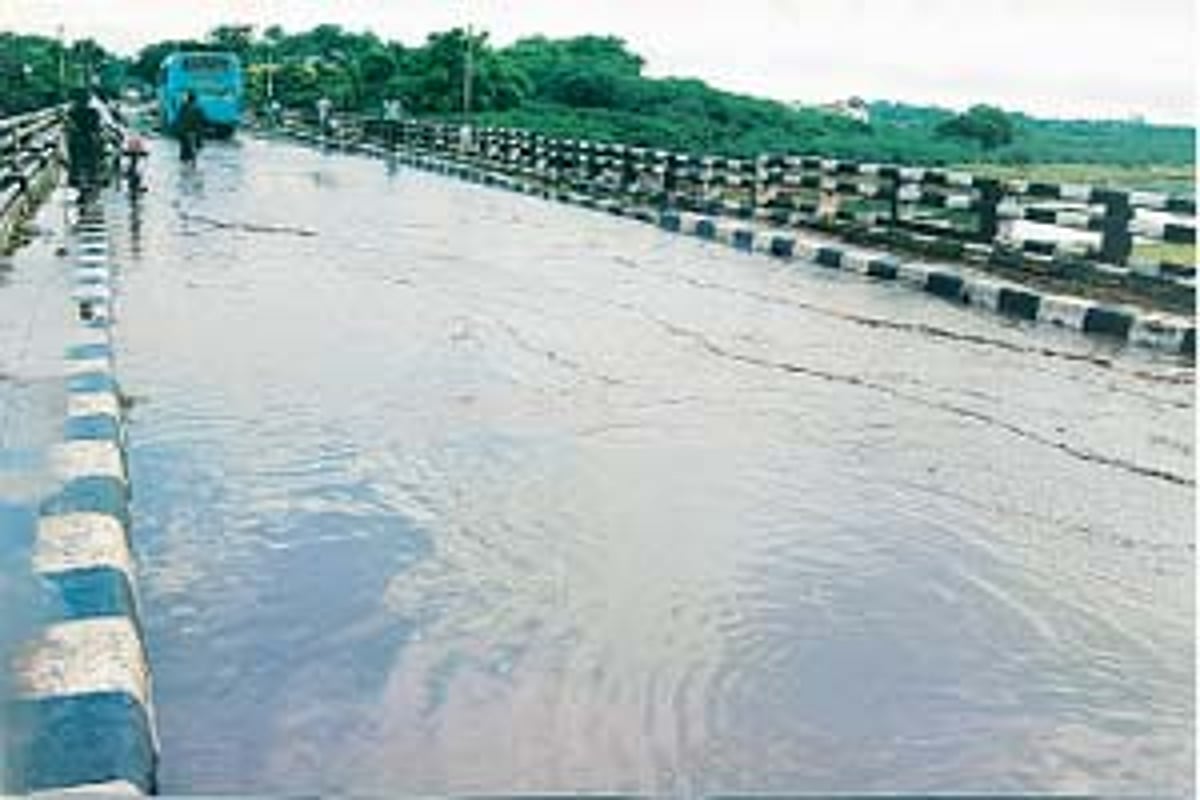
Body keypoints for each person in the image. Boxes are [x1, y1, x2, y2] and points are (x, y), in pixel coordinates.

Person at [65, 88, 103, 191]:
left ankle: (76, 175)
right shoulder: (93, 112)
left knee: (75, 154)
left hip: (80, 138)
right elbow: (97, 127)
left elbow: (69, 126)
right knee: (95, 153)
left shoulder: (72, 112)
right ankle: (92, 175)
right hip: (87, 138)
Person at [177, 91, 205, 165]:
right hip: (194, 131)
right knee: (193, 146)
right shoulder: (198, 108)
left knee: (185, 147)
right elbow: (202, 120)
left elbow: (179, 118)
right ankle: (193, 161)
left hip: (185, 131)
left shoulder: (184, 107)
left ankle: (186, 162)